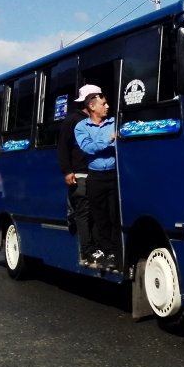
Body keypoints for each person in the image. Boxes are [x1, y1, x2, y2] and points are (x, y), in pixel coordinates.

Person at [74, 90, 120, 269]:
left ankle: (116, 252)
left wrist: (104, 142)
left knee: (114, 216)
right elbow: (88, 148)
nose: (108, 106)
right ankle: (106, 251)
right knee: (100, 217)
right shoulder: (81, 127)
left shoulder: (114, 122)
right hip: (96, 178)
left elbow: (119, 141)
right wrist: (108, 140)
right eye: (104, 104)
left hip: (114, 175)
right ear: (92, 107)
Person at [57, 84, 101, 264]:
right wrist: (67, 171)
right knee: (83, 213)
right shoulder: (73, 120)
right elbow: (63, 147)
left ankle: (98, 247)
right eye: (99, 97)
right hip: (80, 173)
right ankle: (87, 250)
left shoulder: (98, 119)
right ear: (90, 101)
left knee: (97, 212)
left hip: (97, 173)